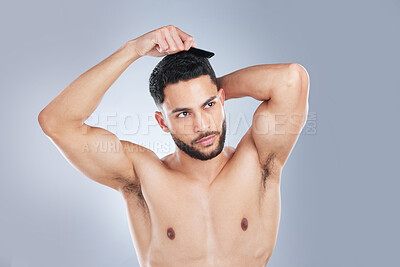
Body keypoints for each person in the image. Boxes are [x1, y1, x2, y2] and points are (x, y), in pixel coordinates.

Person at [38, 25, 310, 267]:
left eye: (209, 105)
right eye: (183, 113)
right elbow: (57, 123)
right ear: (162, 122)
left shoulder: (258, 160)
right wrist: (133, 49)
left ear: (222, 100)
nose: (202, 125)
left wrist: (206, 89)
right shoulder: (143, 176)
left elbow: (290, 79)